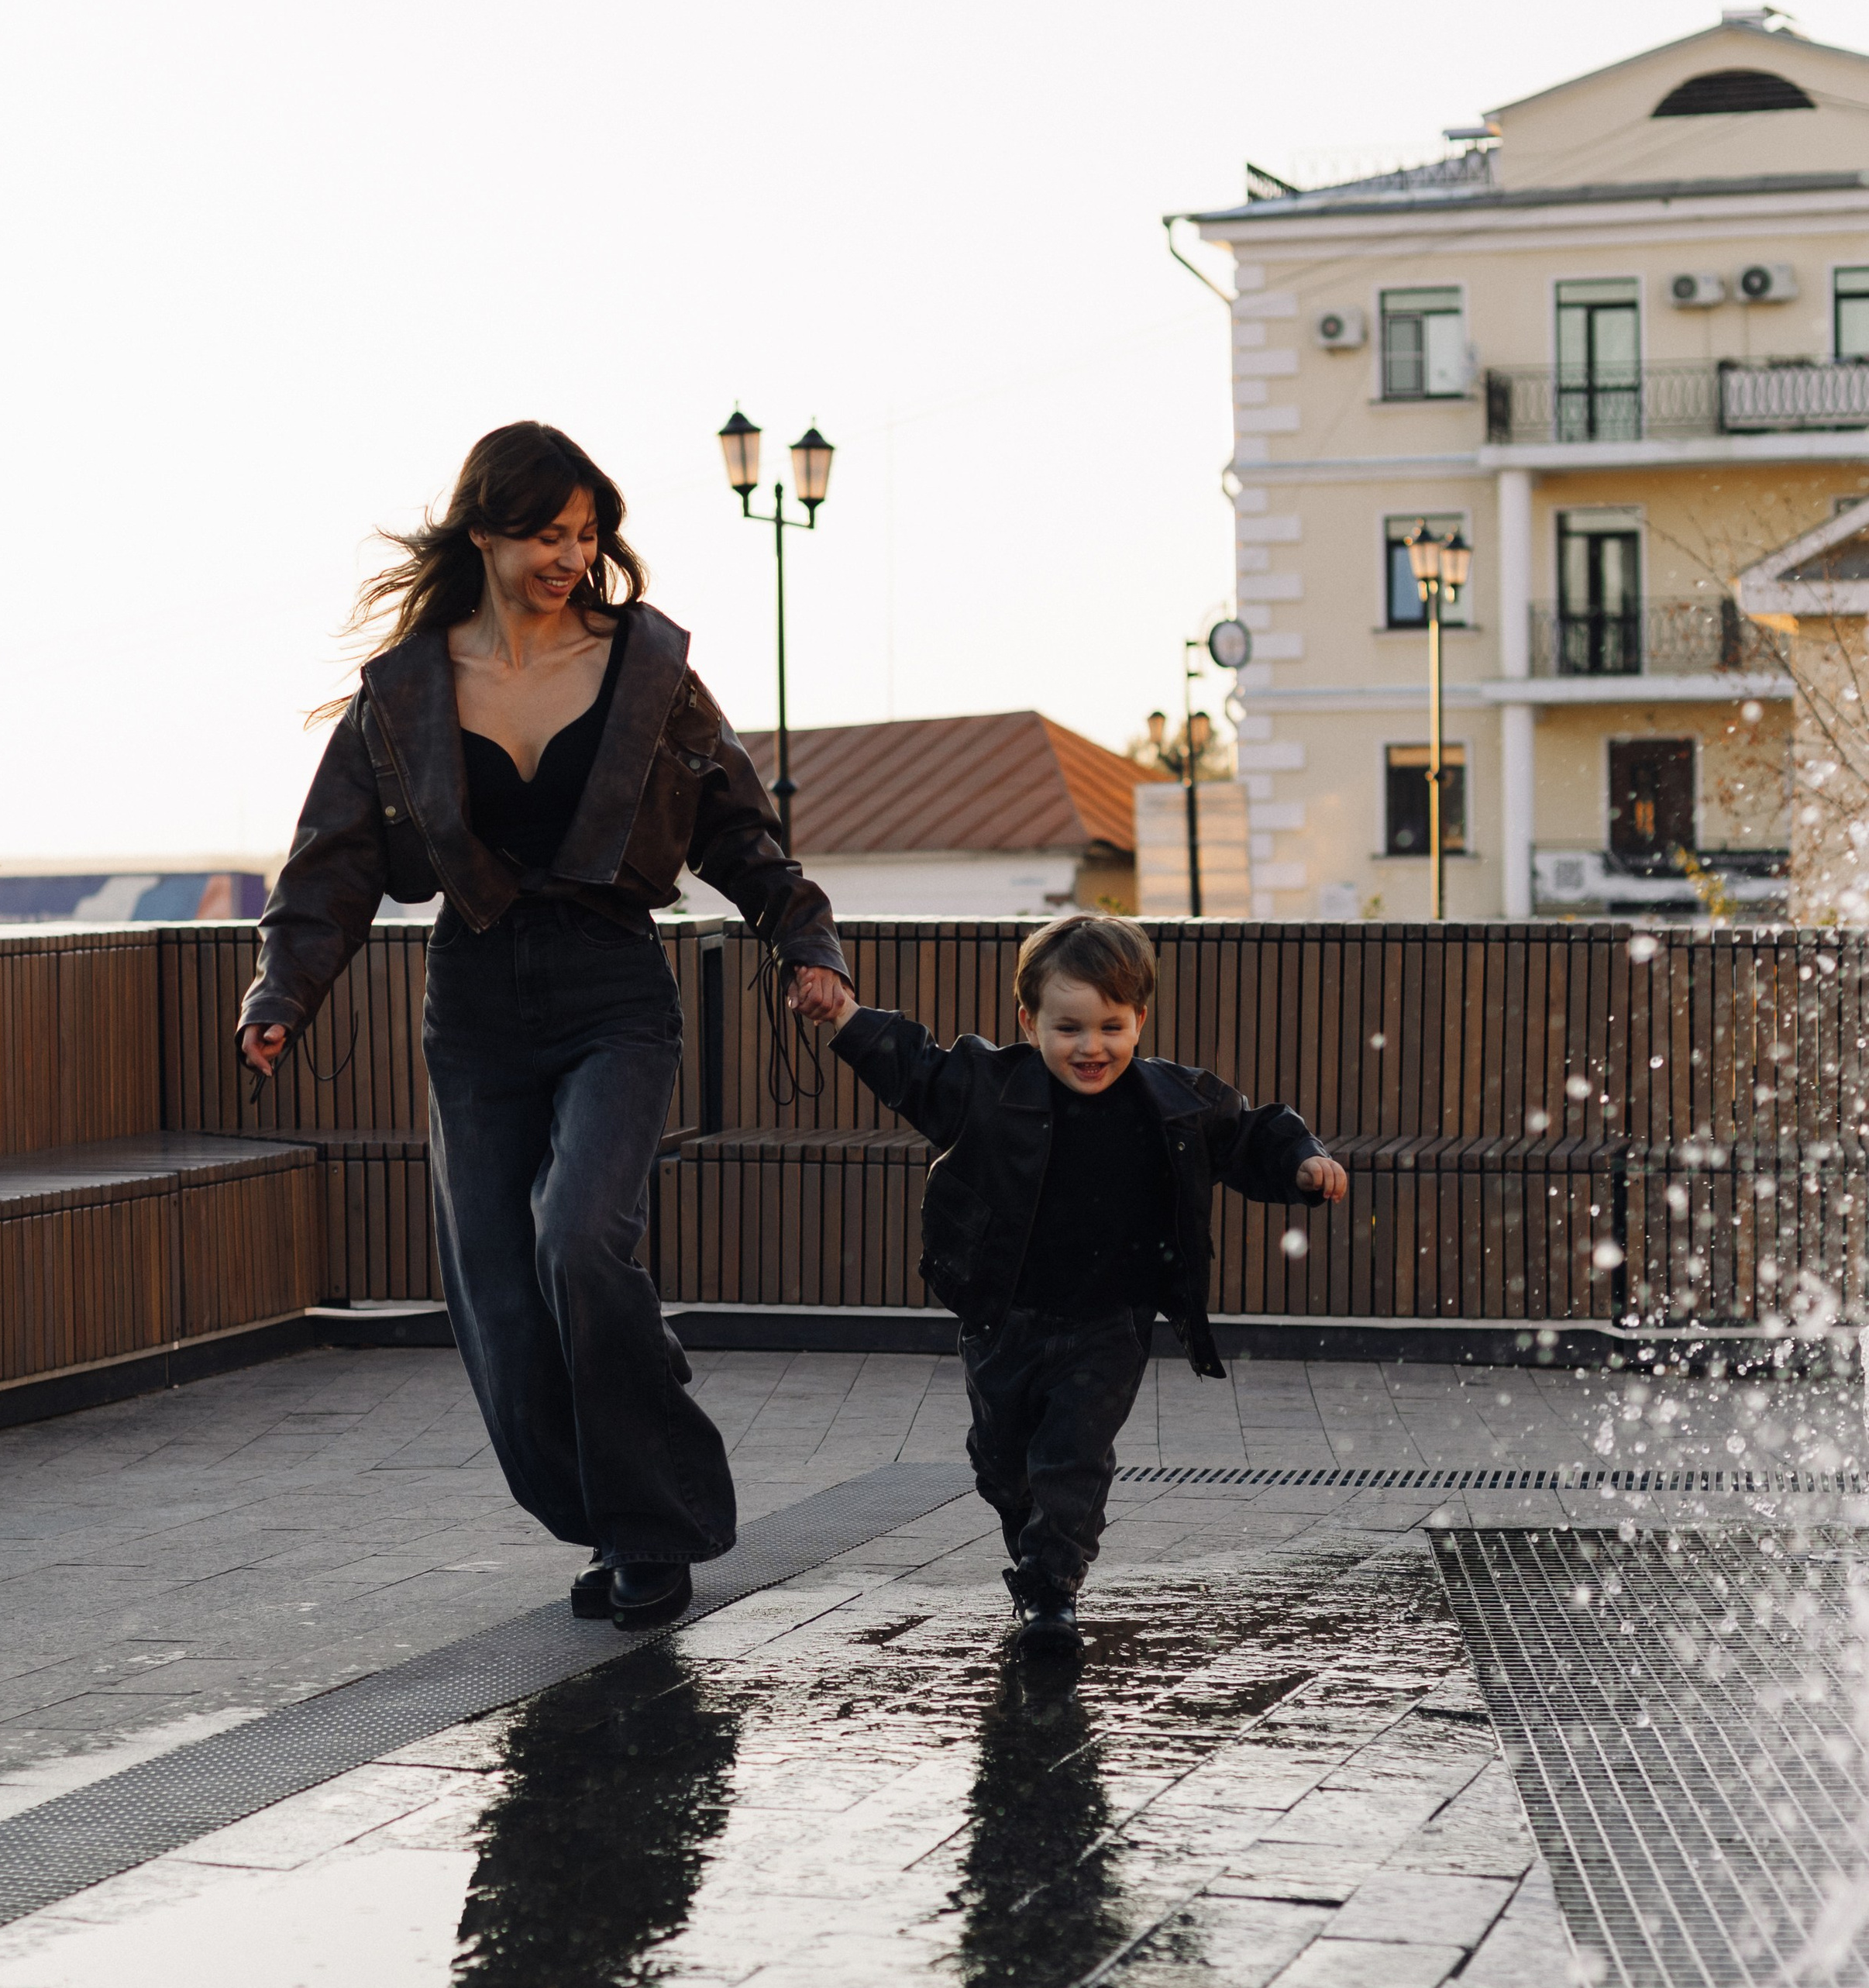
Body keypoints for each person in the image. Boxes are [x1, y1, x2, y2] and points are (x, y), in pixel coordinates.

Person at [239, 422, 852, 1632]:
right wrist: (281, 993)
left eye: (586, 534)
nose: (571, 556)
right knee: (501, 1307)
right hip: (472, 1005)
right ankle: (619, 1517)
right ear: (483, 531)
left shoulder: (648, 669)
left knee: (579, 1242)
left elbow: (738, 824)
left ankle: (652, 1526)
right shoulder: (405, 690)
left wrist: (805, 942)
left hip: (613, 992)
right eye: (544, 534)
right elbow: (332, 863)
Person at [820, 912, 1345, 1657]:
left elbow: (1253, 1132)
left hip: (1110, 1321)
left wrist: (1303, 1161)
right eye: (1068, 1028)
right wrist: (843, 1014)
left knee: (1073, 1451)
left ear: (1139, 1022)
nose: (1091, 1047)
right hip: (1004, 1315)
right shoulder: (987, 1087)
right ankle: (1035, 1542)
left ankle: (1049, 1589)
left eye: (1111, 1026)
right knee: (1003, 1462)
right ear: (1029, 1021)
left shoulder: (1176, 1100)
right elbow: (915, 1067)